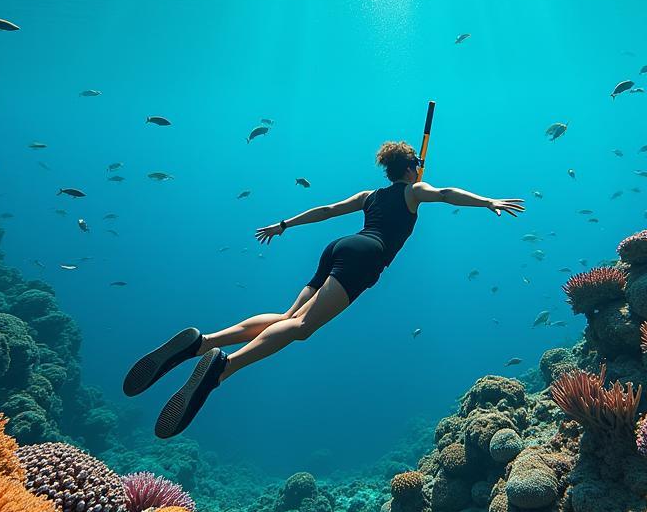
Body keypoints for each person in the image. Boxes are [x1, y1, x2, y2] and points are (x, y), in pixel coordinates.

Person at [123, 141, 524, 437]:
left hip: (339, 245)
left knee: (286, 317)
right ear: (412, 168)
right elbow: (445, 194)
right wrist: (487, 201)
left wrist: (285, 225)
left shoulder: (370, 196)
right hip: (368, 254)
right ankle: (222, 369)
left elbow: (328, 211)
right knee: (301, 328)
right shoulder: (413, 190)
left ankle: (202, 342)